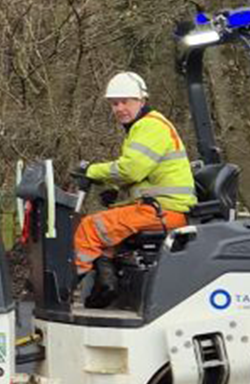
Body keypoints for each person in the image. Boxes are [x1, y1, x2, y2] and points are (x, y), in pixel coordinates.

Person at [72, 72, 197, 308]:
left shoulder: (150, 126)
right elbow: (143, 175)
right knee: (108, 238)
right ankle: (106, 289)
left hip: (165, 211)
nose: (119, 108)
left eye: (125, 101)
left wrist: (91, 171)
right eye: (114, 103)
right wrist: (115, 189)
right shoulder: (142, 127)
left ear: (141, 100)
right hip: (158, 207)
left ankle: (65, 290)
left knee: (90, 228)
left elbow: (132, 169)